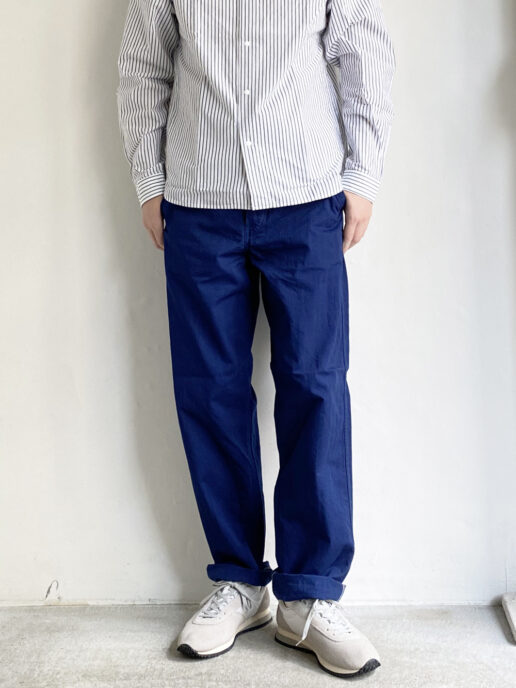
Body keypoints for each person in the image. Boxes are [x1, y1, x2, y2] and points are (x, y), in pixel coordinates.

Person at [117, 0, 395, 678]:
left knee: (315, 387)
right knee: (209, 391)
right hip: (197, 201)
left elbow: (363, 53)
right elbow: (143, 67)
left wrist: (363, 176)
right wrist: (150, 184)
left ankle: (309, 596)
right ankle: (240, 582)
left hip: (307, 196)